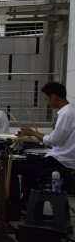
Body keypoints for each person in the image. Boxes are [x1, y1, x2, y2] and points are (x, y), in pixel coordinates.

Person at [12, 82, 75, 220]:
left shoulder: (66, 114)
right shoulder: (72, 110)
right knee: (30, 165)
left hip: (62, 160)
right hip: (66, 158)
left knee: (12, 167)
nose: (47, 102)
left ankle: (14, 209)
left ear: (54, 97)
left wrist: (33, 133)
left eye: (46, 99)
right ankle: (29, 205)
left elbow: (53, 140)